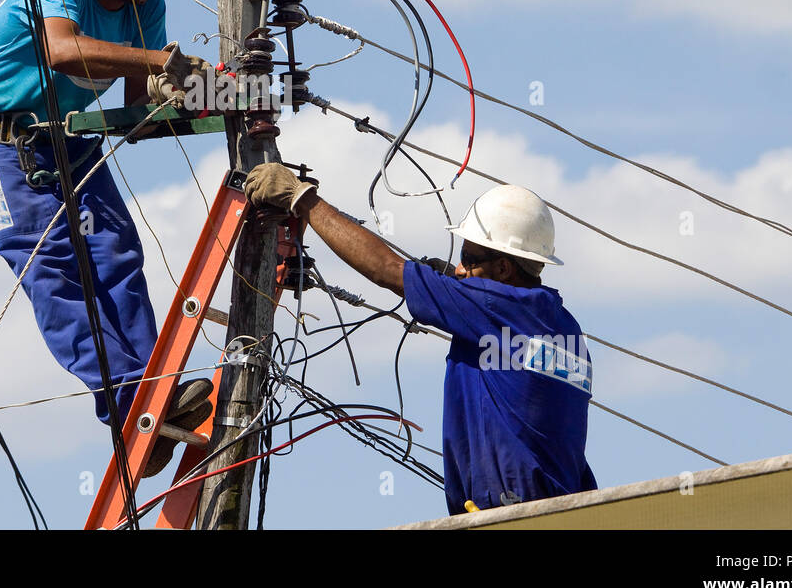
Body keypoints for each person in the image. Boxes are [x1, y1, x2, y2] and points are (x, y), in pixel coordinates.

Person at [0, 0, 212, 474]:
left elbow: (138, 107)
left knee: (117, 254)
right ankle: (128, 401)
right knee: (54, 267)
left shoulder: (148, 10)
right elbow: (62, 51)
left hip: (69, 140)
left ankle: (152, 394)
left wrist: (196, 95)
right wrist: (161, 62)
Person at [244, 164, 598, 514]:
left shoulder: (493, 308)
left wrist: (302, 199)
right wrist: (457, 287)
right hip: (567, 512)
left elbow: (387, 270)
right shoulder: (566, 328)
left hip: (512, 516)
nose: (459, 268)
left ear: (504, 268)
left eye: (468, 259)